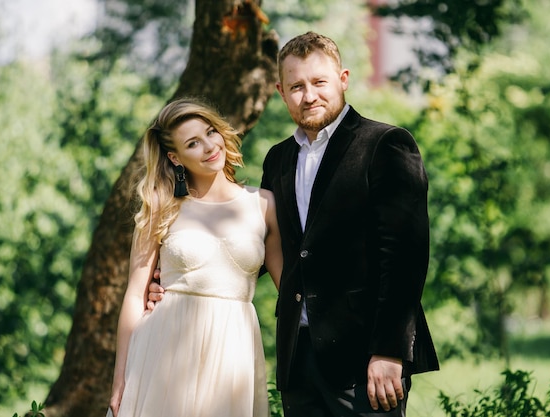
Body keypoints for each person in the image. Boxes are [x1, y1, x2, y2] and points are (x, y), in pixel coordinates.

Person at [149, 31, 439, 416]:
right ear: (281, 92)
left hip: (365, 357)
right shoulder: (278, 159)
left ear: (343, 79)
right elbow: (260, 249)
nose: (309, 95)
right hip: (298, 360)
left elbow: (405, 258)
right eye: (297, 86)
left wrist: (389, 351)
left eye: (319, 82)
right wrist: (170, 280)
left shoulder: (386, 145)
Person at [107, 97, 282, 417]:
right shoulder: (161, 206)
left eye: (210, 132)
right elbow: (135, 294)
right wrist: (121, 379)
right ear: (175, 157)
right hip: (164, 348)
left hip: (234, 350)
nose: (209, 146)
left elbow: (291, 289)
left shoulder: (264, 204)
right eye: (193, 143)